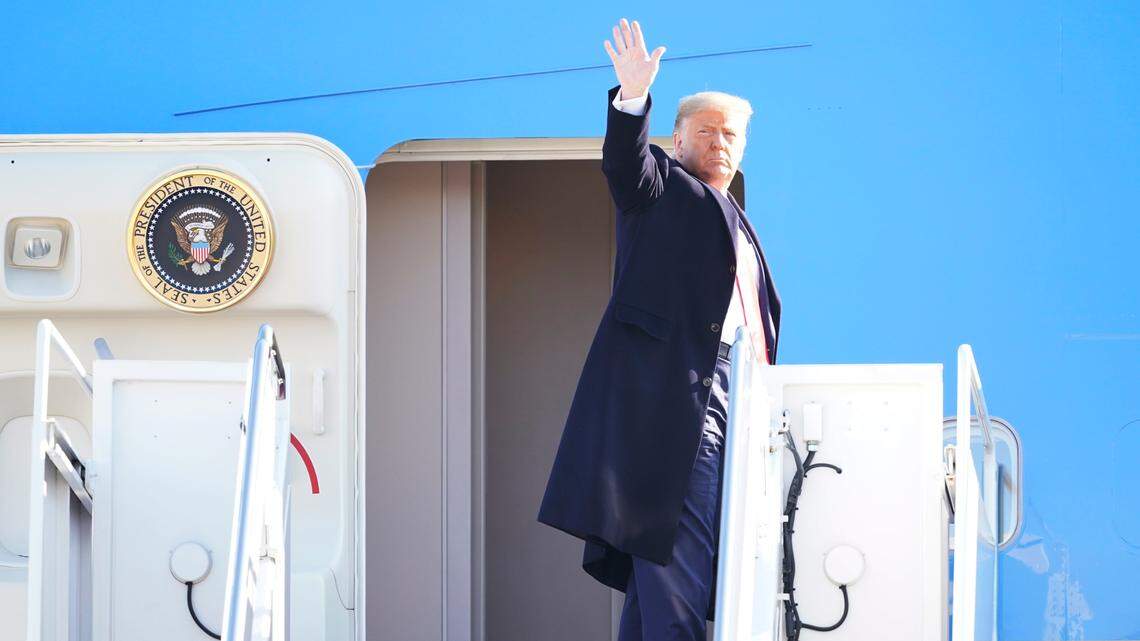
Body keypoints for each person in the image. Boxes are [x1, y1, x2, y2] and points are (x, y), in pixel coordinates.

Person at [536, 17, 782, 641]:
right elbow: (626, 163)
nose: (719, 142)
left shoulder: (739, 222)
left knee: (665, 570)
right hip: (681, 396)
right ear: (678, 140)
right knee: (679, 554)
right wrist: (632, 97)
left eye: (730, 134)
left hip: (737, 394)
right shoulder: (662, 189)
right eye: (706, 131)